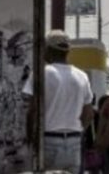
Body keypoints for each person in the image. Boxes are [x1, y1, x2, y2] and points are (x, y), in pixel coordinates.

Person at [23, 30, 95, 173]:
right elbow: (88, 113)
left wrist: (30, 139)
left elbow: (33, 111)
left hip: (48, 140)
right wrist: (78, 131)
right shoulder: (82, 76)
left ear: (48, 49)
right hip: (74, 142)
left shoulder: (41, 73)